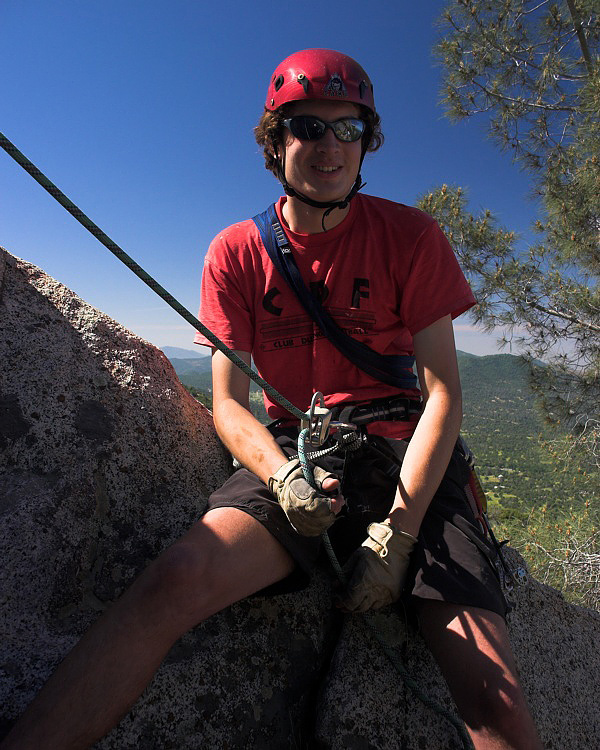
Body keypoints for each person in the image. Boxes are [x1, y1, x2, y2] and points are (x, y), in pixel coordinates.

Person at [1, 49, 542, 750]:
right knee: (176, 581)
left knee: (493, 694)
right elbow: (228, 404)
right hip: (302, 451)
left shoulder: (411, 237)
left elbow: (442, 393)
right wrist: (283, 477)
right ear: (276, 141)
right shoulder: (237, 251)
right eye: (309, 126)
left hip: (406, 456)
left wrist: (399, 534)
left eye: (349, 129)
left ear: (367, 143)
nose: (330, 146)